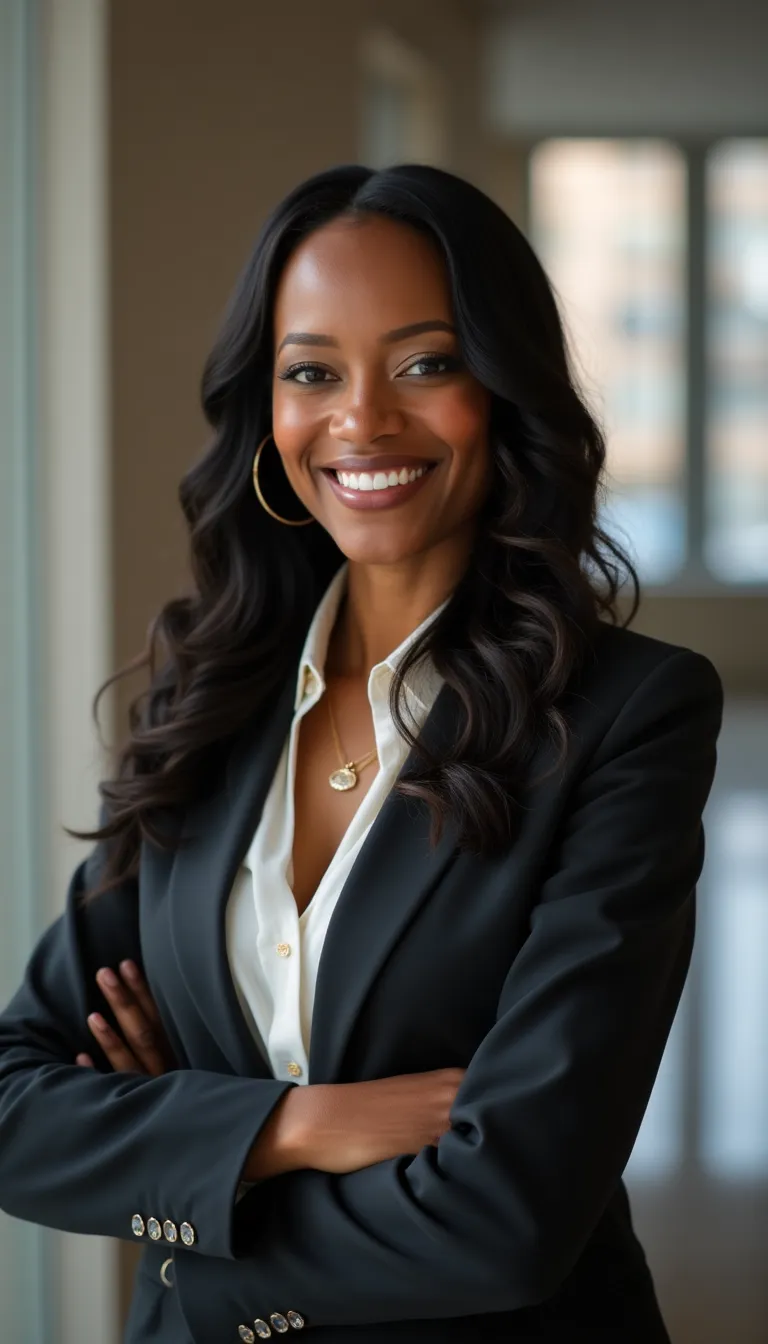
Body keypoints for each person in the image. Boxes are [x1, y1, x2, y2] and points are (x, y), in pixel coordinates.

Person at [0, 163, 723, 1343]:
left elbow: (509, 1216)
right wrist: (292, 1127)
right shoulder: (208, 698)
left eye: (426, 364)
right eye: (312, 372)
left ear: (504, 390)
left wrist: (187, 1201)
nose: (363, 420)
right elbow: (14, 1107)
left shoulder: (628, 715)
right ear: (267, 410)